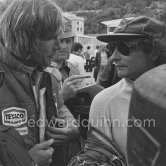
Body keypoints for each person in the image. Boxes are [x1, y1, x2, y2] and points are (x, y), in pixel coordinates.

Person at [68, 16, 166, 166]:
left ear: (154, 50)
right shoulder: (105, 101)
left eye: (123, 48)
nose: (113, 57)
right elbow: (98, 153)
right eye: (112, 47)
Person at [0, 1, 79, 166]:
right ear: (26, 36)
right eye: (52, 38)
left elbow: (59, 107)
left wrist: (72, 128)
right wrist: (26, 162)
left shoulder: (46, 77)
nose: (59, 46)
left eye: (63, 38)